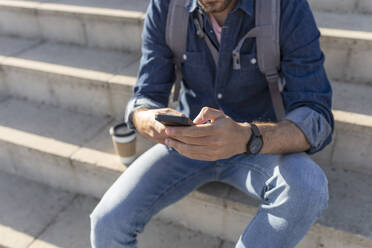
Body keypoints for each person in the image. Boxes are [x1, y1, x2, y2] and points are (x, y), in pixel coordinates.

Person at [90, 0, 334, 247]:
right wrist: (147, 120)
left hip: (255, 144)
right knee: (106, 222)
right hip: (185, 143)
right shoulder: (167, 6)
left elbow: (316, 114)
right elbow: (144, 97)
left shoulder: (284, 6)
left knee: (308, 187)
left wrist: (247, 137)